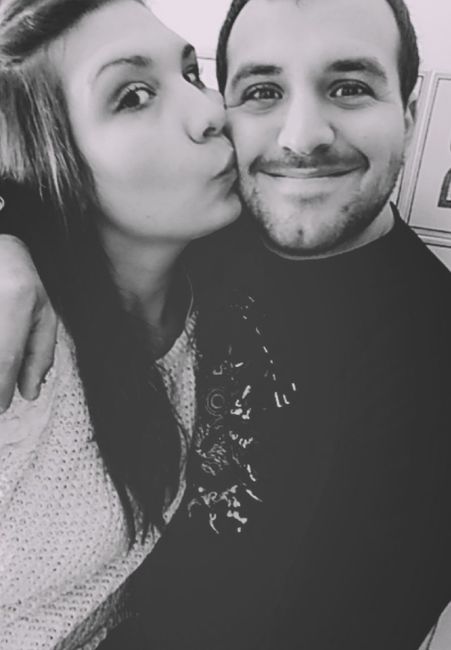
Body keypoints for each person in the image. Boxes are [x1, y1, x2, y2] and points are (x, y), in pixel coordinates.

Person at [2, 0, 451, 649]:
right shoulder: (192, 229)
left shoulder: (431, 361)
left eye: (349, 87)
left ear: (407, 115)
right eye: (262, 90)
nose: (301, 137)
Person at [0, 0, 245, 647]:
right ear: (46, 157)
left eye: (191, 74)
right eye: (134, 96)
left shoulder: (226, 298)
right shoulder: (22, 337)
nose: (212, 111)